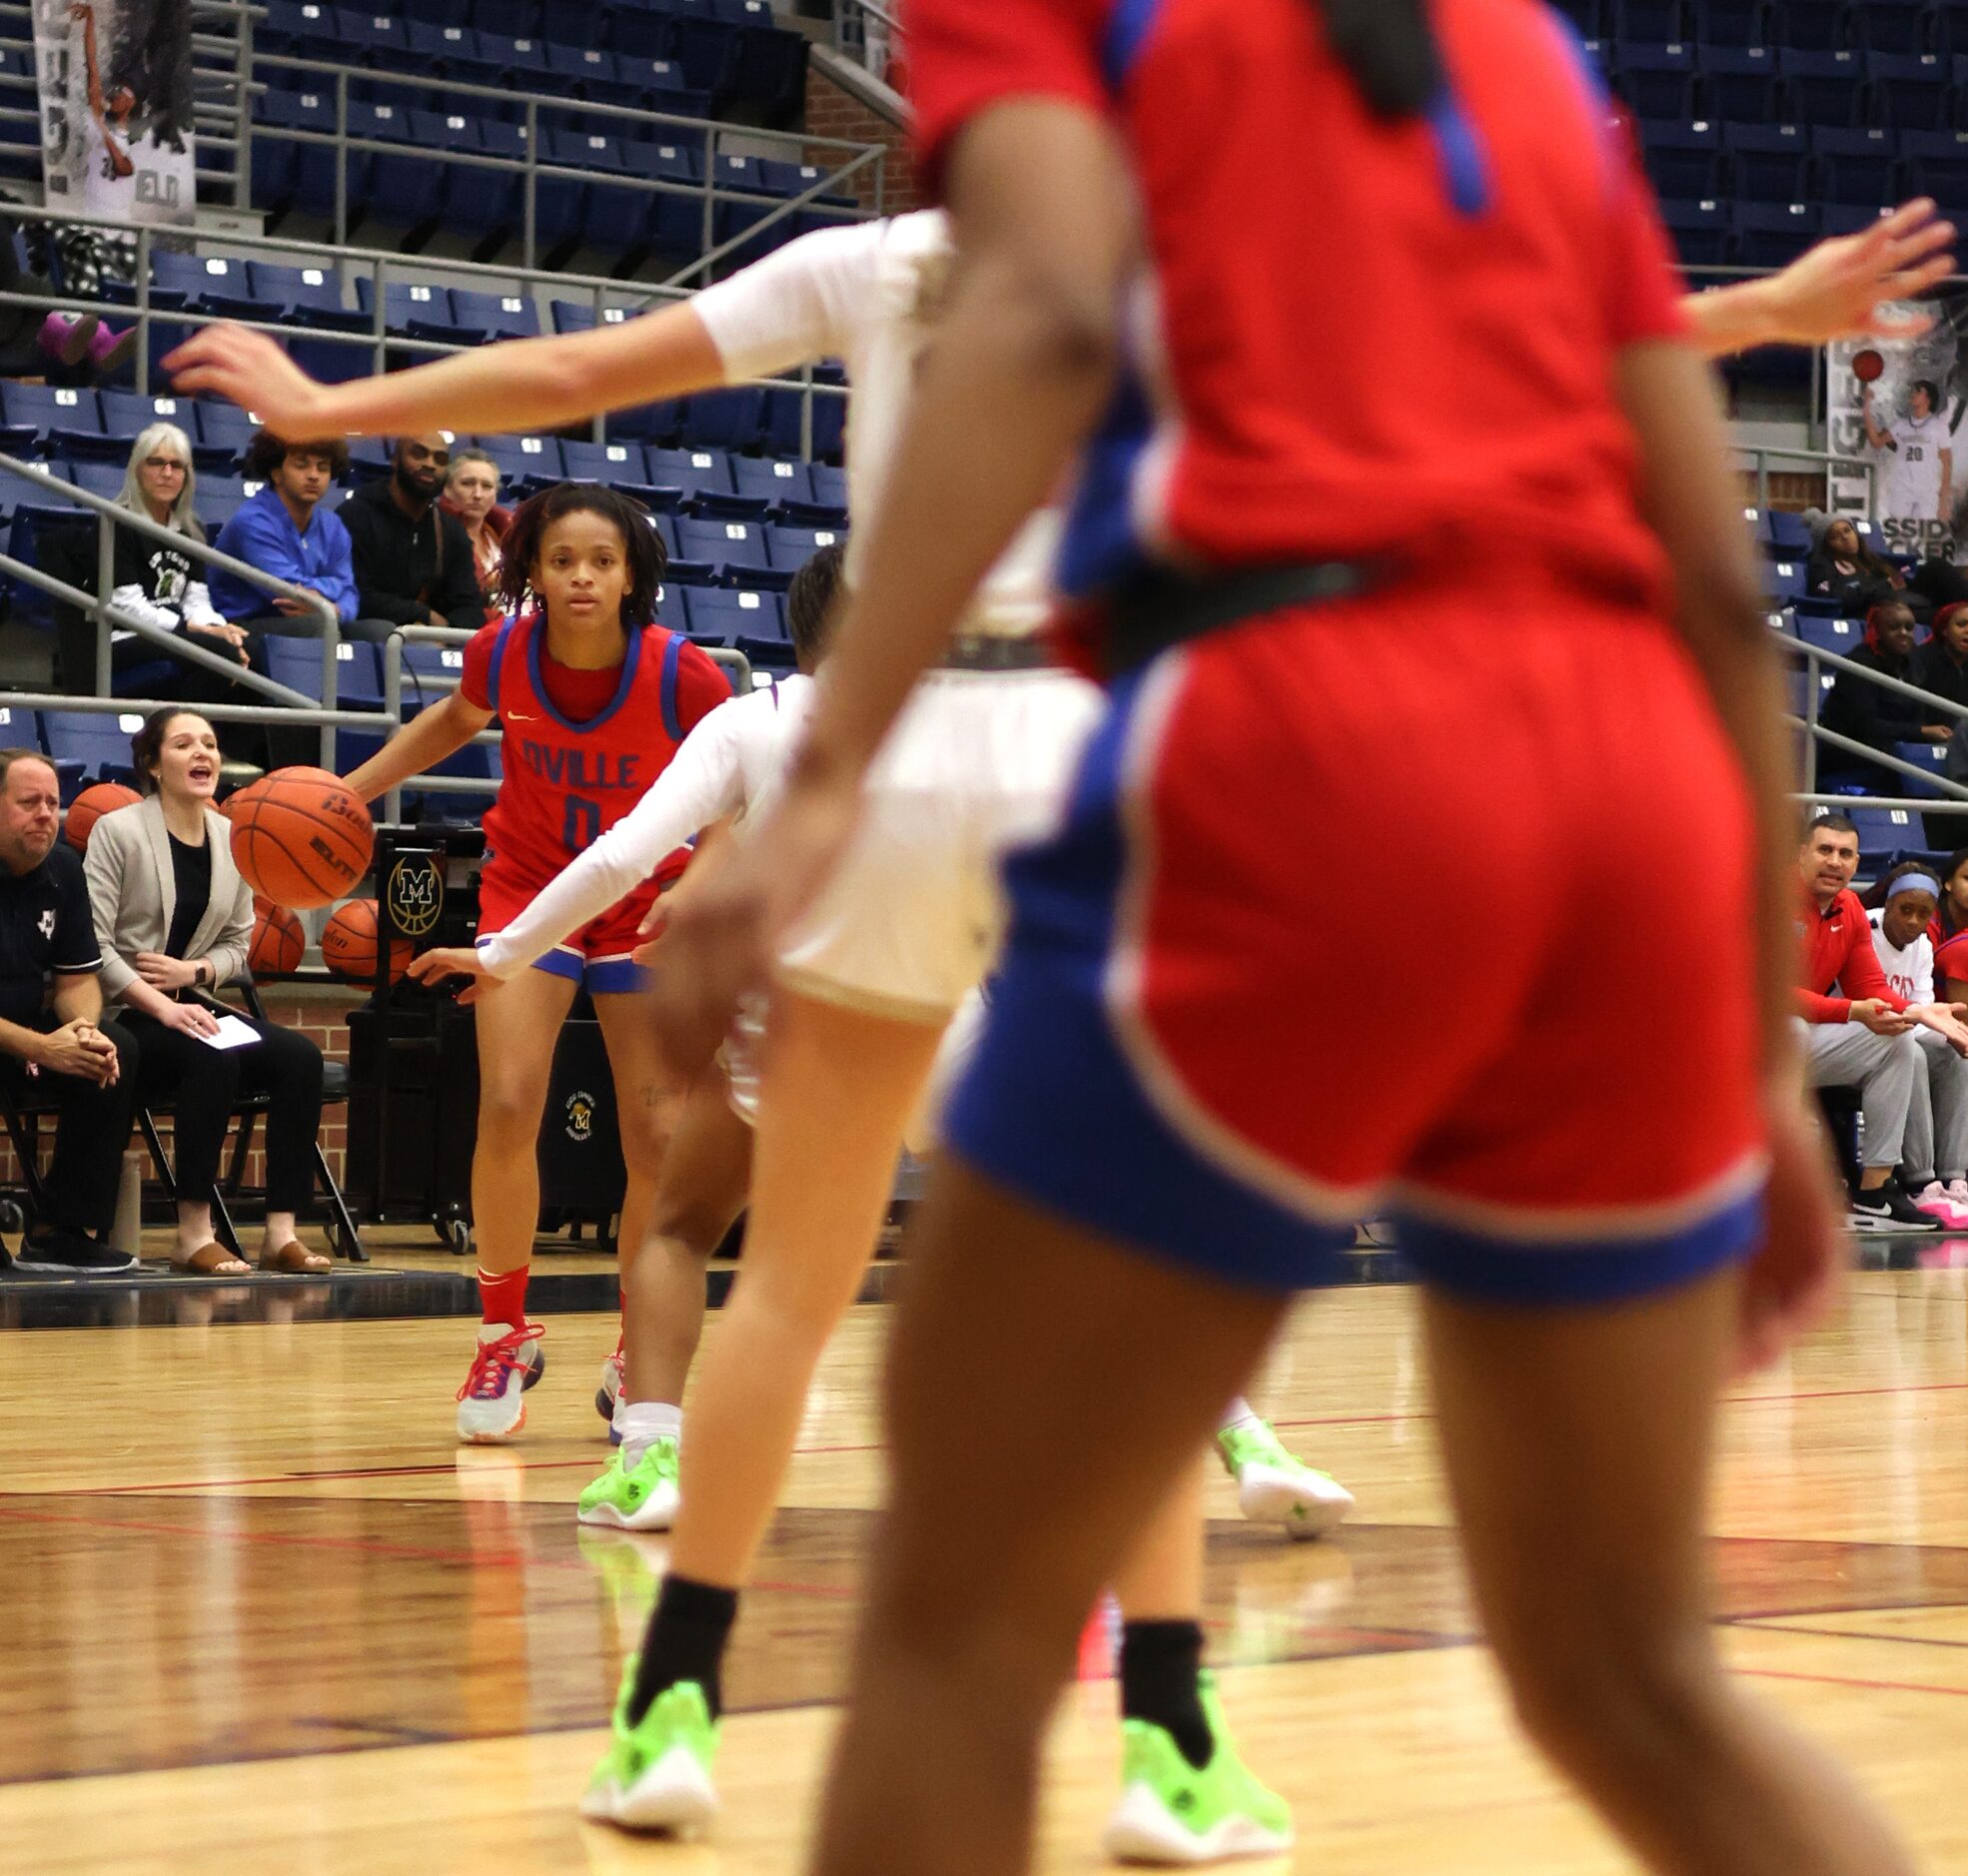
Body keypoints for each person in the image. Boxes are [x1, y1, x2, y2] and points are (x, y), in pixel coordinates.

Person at [550, 0, 1935, 1871]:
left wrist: (821, 776)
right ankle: (1180, 1739)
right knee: (1627, 1672)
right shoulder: (1509, 37)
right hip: (1621, 777)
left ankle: (886, 1706)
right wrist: (1753, 1056)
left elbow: (1038, 318)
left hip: (1306, 724)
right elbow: (1707, 564)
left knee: (953, 1621)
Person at [340, 481, 729, 1441]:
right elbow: (448, 723)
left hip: (648, 902)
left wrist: (702, 882)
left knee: (656, 1133)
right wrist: (347, 793)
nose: (583, 576)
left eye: (601, 561)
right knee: (510, 1099)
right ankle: (503, 1333)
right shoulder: (504, 653)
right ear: (534, 573)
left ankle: (643, 1344)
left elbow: (737, 798)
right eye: (563, 561)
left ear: (631, 571)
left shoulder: (686, 676)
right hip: (530, 891)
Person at [83, 707, 329, 1276]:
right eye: (184, 744)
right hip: (126, 1009)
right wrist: (164, 1004)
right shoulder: (116, 831)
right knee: (213, 1060)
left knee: (300, 1058)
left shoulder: (235, 836)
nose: (203, 754)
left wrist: (192, 977)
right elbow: (94, 949)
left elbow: (240, 943)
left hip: (193, 1003)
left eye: (211, 744)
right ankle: (193, 1233)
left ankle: (280, 1233)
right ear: (152, 763)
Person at [0, 747, 136, 1276]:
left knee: (113, 1051)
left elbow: (77, 977)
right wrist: (41, 1047)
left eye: (53, 802)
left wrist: (83, 1031)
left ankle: (61, 1230)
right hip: (18, 1038)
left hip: (30, 1031)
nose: (44, 814)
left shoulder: (63, 868)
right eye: (28, 801)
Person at [1797, 814, 1956, 1234]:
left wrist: (1917, 1012)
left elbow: (1868, 984)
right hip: (1744, 1042)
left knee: (1901, 1042)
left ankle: (1874, 1193)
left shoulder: (1848, 907)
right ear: (1800, 854)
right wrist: (1854, 1012)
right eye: (1825, 850)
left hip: (1802, 1039)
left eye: (1845, 853)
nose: (1835, 861)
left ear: (1856, 863)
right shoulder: (1771, 898)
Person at [50, 423, 250, 696]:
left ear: (186, 476)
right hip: (125, 637)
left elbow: (196, 600)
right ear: (137, 470)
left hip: (176, 633)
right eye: (156, 463)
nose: (167, 473)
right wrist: (191, 629)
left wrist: (217, 628)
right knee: (222, 653)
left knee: (249, 651)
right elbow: (127, 608)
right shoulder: (115, 523)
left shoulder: (191, 530)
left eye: (176, 465)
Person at [207, 430, 392, 643]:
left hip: (317, 618)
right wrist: (332, 592)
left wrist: (335, 610)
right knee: (317, 625)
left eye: (322, 467)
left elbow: (349, 592)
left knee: (384, 632)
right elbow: (288, 593)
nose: (313, 475)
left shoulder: (333, 525)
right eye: (301, 465)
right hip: (243, 627)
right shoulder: (252, 522)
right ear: (276, 473)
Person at [1864, 860, 1968, 1229]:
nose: (1912, 921)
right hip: (1861, 1032)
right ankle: (1920, 1182)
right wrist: (1921, 1022)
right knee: (1913, 1055)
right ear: (1888, 905)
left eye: (1922, 914)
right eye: (1904, 910)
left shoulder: (1922, 946)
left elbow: (1923, 1009)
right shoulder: (1865, 929)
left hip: (1901, 1029)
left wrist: (1950, 1034)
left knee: (1952, 1054)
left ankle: (1954, 1179)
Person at [338, 433, 487, 638]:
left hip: (427, 638)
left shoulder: (450, 529)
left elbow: (469, 605)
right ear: (395, 460)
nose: (430, 464)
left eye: (440, 459)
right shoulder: (354, 515)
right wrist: (424, 615)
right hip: (367, 634)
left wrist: (446, 633)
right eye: (419, 454)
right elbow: (355, 594)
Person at [1820, 601, 1951, 791]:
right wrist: (1921, 732)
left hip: (1897, 749)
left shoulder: (1913, 663)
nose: (1904, 633)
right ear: (1878, 630)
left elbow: (1918, 713)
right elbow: (1864, 725)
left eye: (1909, 628)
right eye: (1894, 627)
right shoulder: (1858, 664)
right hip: (1853, 752)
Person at [1864, 375, 1954, 551]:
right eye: (1913, 391)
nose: (1913, 394)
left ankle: (1923, 573)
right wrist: (1866, 409)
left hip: (1927, 490)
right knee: (1898, 538)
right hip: (1902, 488)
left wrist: (1944, 499)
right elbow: (1876, 441)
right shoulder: (1902, 425)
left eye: (1918, 391)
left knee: (1926, 540)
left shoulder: (1939, 427)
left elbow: (1947, 463)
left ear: (1928, 398)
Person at [440, 448, 510, 620]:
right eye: (467, 483)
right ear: (447, 489)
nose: (478, 494)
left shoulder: (506, 535)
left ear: (495, 495)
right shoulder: (436, 533)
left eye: (487, 486)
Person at [1806, 516, 1907, 616]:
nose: (1845, 537)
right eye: (1834, 537)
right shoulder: (1822, 566)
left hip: (1893, 610)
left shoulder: (1871, 560)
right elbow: (1838, 598)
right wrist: (1883, 587)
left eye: (1847, 530)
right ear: (1826, 545)